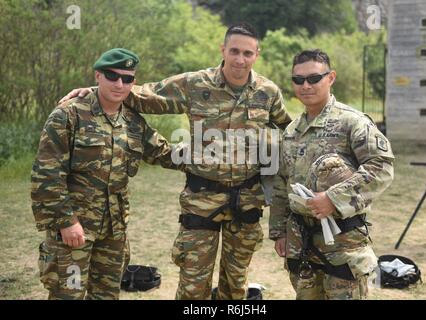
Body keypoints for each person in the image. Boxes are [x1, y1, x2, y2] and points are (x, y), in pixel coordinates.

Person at [61, 23, 292, 300]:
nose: (240, 59)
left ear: (257, 54)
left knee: (236, 282)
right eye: (234, 51)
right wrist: (98, 89)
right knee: (194, 282)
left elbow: (289, 130)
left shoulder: (268, 92)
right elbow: (147, 96)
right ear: (223, 50)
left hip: (247, 201)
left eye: (247, 53)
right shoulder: (195, 84)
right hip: (201, 199)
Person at [31, 48, 180, 299]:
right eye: (112, 76)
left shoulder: (132, 121)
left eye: (128, 78)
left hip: (113, 230)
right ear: (97, 76)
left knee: (107, 295)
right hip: (75, 229)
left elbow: (165, 153)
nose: (120, 84)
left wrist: (215, 155)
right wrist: (66, 221)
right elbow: (47, 174)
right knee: (68, 294)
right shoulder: (69, 115)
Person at [269, 49, 395, 300]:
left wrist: (332, 198)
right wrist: (279, 231)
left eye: (314, 78)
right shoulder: (292, 130)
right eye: (298, 80)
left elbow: (381, 167)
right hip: (301, 242)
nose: (305, 85)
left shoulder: (352, 122)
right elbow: (282, 183)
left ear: (331, 78)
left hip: (342, 242)